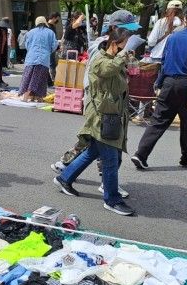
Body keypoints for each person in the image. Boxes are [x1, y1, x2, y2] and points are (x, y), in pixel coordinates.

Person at [54, 27, 138, 216]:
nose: (127, 48)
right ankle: (112, 199)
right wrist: (122, 57)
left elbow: (128, 73)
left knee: (94, 151)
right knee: (110, 159)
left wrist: (130, 60)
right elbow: (107, 71)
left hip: (112, 113)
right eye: (125, 44)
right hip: (102, 115)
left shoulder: (116, 59)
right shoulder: (100, 59)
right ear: (115, 44)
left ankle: (65, 178)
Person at [132, 4, 187, 170]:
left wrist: (159, 83)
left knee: (158, 120)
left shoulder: (173, 38)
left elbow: (164, 61)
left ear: (184, 19)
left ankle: (141, 154)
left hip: (169, 82)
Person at [18, 16, 58, 101]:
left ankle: (27, 97)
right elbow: (54, 45)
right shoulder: (50, 32)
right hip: (44, 59)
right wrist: (48, 51)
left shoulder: (30, 32)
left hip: (31, 58)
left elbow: (27, 45)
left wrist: (32, 51)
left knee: (28, 78)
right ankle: (38, 97)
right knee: (41, 80)